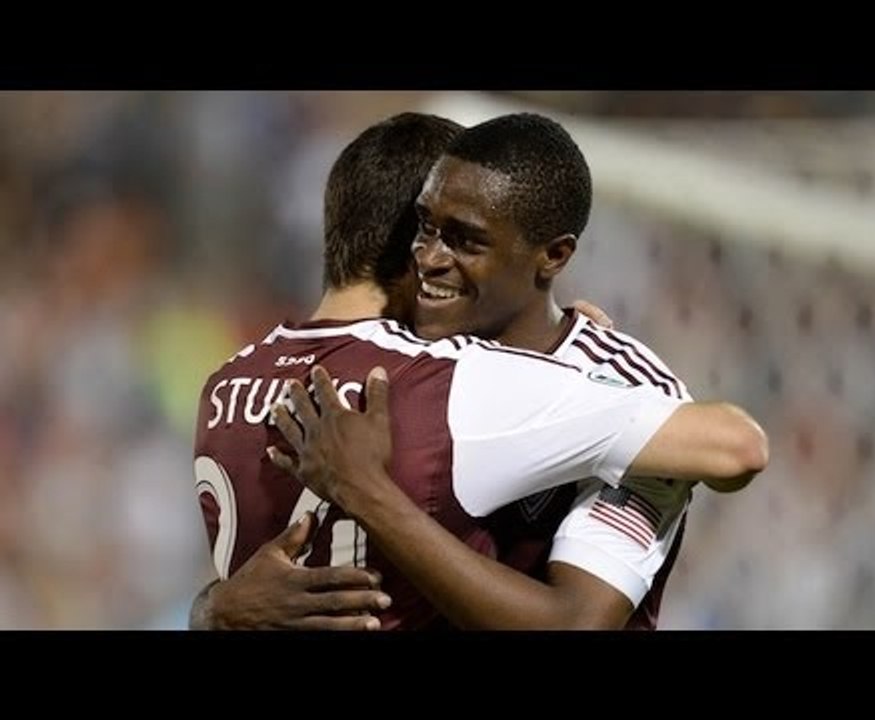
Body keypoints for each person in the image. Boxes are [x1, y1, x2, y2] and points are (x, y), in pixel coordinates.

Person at [192, 112, 768, 630]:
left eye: (464, 239)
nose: (429, 256)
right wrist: (215, 609)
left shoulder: (618, 387)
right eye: (424, 227)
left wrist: (368, 492)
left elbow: (581, 622)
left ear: (554, 255)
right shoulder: (404, 372)